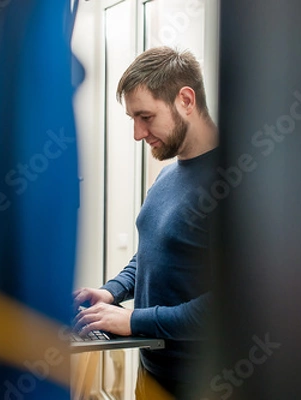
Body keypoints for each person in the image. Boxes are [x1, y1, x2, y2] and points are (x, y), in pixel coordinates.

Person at [73, 46, 219, 399]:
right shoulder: (167, 176)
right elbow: (152, 253)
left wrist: (134, 321)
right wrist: (111, 291)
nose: (138, 134)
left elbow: (228, 308)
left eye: (146, 117)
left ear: (186, 100)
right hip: (153, 375)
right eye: (133, 120)